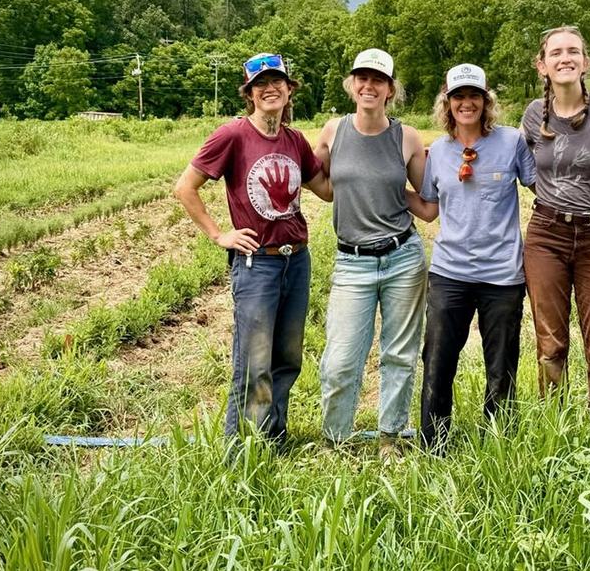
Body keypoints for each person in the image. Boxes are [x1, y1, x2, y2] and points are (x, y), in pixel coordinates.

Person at [174, 52, 332, 447]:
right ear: (249, 94)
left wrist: (356, 151)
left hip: (296, 260)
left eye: (277, 81)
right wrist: (218, 235)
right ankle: (242, 448)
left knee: (287, 359)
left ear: (289, 89)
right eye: (260, 84)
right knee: (254, 363)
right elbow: (184, 188)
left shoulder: (295, 140)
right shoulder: (232, 135)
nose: (270, 89)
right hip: (256, 263)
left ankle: (273, 440)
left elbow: (326, 191)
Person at [407, 64, 535, 455]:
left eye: (474, 96)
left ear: (486, 101)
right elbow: (429, 209)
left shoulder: (512, 142)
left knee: (502, 364)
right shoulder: (439, 152)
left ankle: (498, 444)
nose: (466, 103)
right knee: (438, 359)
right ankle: (434, 444)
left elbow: (539, 186)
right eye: (458, 97)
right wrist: (386, 186)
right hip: (450, 273)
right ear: (447, 103)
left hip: (502, 276)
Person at [314, 48, 427, 460]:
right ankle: (334, 439)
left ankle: (389, 438)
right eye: (362, 77)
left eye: (378, 79)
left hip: (403, 258)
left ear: (390, 89)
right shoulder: (333, 131)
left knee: (399, 354)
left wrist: (396, 192)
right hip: (352, 261)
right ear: (352, 84)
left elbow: (428, 203)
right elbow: (320, 183)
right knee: (341, 358)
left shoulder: (408, 137)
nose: (369, 85)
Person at [520, 26, 590, 405]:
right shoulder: (534, 114)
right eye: (556, 53)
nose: (564, 58)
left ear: (586, 62)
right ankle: (554, 419)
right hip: (546, 236)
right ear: (542, 66)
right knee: (550, 341)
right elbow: (528, 173)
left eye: (573, 51)